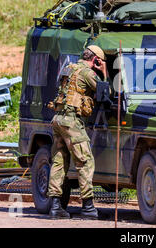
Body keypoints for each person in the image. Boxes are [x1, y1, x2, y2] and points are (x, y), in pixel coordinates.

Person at [47, 45, 108, 219]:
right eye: (100, 61)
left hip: (59, 119)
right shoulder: (87, 73)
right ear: (95, 59)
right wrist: (104, 72)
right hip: (71, 122)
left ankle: (56, 207)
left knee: (59, 163)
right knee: (85, 161)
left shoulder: (69, 68)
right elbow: (105, 92)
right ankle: (88, 207)